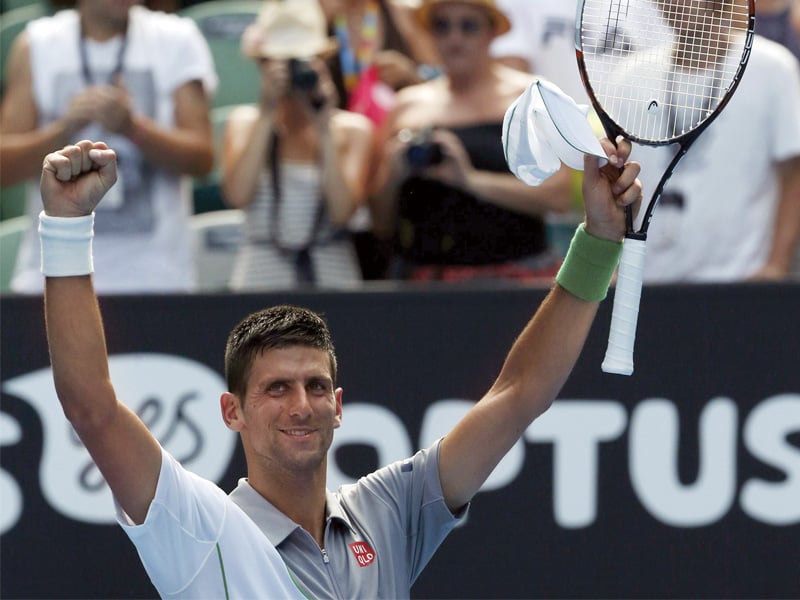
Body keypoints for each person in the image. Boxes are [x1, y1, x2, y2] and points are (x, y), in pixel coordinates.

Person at [39, 133, 641, 596]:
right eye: (275, 389)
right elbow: (91, 406)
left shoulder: (390, 509)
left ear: (338, 405)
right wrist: (66, 227)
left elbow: (519, 393)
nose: (301, 405)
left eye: (316, 386)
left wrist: (598, 240)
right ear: (232, 411)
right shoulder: (199, 527)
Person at [0, 0, 216, 294]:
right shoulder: (36, 43)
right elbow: (4, 166)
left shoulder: (178, 37)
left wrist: (133, 128)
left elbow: (202, 160)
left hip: (157, 282)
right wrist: (63, 130)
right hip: (51, 280)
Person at [369, 0, 573, 282]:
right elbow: (380, 223)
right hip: (426, 281)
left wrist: (469, 180)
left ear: (492, 33)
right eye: (442, 26)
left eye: (468, 25)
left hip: (516, 276)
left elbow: (558, 195)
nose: (455, 38)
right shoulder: (408, 106)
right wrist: (394, 174)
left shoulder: (527, 96)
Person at [634, 0, 800, 283]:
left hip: (742, 286)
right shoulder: (630, 76)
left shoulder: (774, 67)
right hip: (646, 284)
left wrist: (776, 265)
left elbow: (793, 173)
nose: (680, 4)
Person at [221, 0, 373, 290]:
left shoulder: (352, 130)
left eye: (299, 61)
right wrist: (267, 112)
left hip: (332, 277)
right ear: (262, 64)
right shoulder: (245, 123)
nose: (291, 74)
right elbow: (238, 195)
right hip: (260, 279)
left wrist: (324, 125)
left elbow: (342, 213)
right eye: (280, 61)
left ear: (321, 63)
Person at [318, 0, 443, 280]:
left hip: (391, 178)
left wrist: (413, 76)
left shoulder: (403, 14)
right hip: (330, 169)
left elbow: (447, 90)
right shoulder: (310, 13)